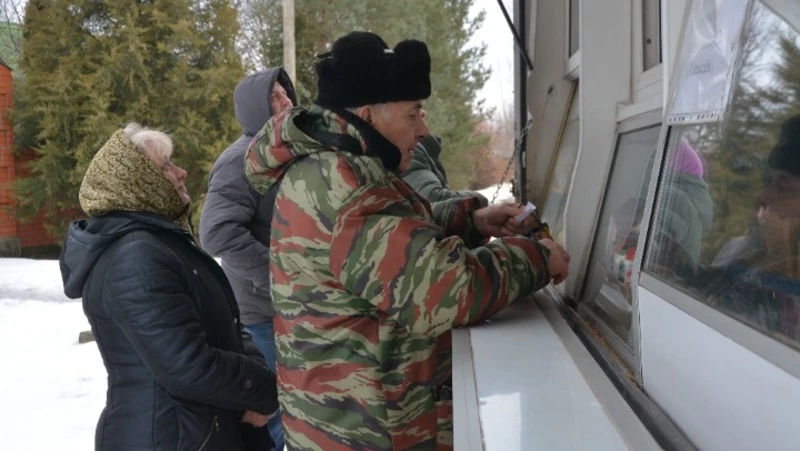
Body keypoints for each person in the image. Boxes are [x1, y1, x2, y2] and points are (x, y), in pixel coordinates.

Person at [244, 31, 570, 450]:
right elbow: (446, 291)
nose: (423, 129)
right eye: (413, 114)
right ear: (369, 115)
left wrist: (471, 220)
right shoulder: (349, 184)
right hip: (367, 432)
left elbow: (390, 238)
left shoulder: (331, 166)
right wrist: (537, 258)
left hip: (339, 421)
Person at [59, 123, 278, 451]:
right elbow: (187, 366)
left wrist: (257, 378)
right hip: (170, 438)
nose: (181, 172)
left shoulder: (162, 243)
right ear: (137, 181)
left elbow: (228, 327)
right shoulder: (136, 257)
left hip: (197, 430)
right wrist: (261, 390)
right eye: (165, 167)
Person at [200, 68, 296, 451]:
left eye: (286, 93)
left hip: (291, 310)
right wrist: (280, 274)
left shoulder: (285, 156)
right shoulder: (239, 159)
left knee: (294, 416)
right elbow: (217, 232)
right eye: (274, 96)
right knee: (270, 420)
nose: (286, 100)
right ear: (255, 107)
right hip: (261, 316)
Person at [402, 119, 489, 206]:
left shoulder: (426, 149)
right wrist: (479, 199)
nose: (424, 129)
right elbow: (433, 198)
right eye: (412, 116)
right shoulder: (412, 149)